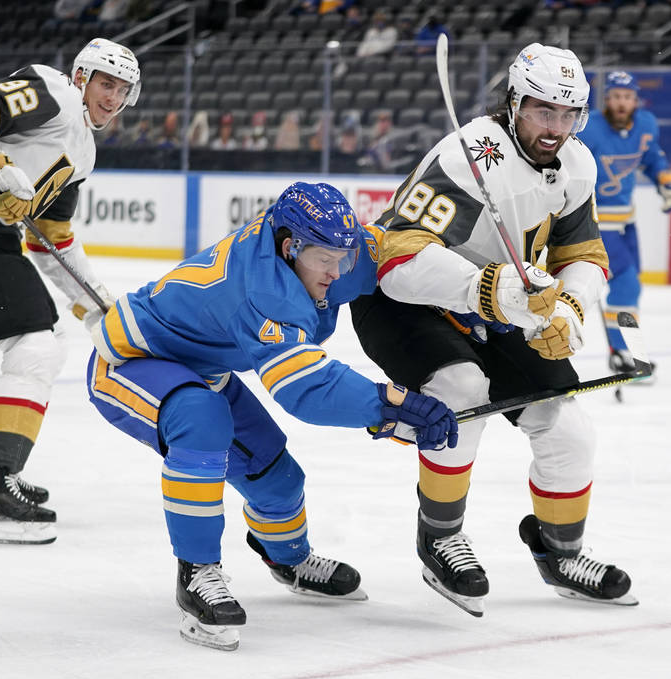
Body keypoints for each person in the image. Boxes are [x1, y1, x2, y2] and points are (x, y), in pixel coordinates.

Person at [86, 182, 458, 649]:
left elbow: (389, 254)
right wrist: (394, 404)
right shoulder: (263, 292)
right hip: (128, 363)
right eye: (326, 260)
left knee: (276, 477)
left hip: (204, 369)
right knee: (203, 422)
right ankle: (197, 572)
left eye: (343, 257)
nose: (337, 271)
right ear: (290, 247)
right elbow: (306, 388)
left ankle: (289, 559)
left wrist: (477, 301)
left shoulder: (322, 248)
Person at [350, 43, 638, 618]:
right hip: (402, 304)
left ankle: (561, 551)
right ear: (513, 102)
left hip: (499, 302)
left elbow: (582, 253)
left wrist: (569, 313)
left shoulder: (578, 164)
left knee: (569, 427)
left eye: (568, 114)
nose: (555, 128)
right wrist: (492, 287)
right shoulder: (467, 156)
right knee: (463, 394)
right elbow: (399, 264)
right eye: (541, 112)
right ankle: (440, 537)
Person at [0, 38, 141, 545]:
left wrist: (98, 307)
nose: (112, 97)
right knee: (35, 347)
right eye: (106, 83)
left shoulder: (82, 152)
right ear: (81, 78)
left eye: (122, 89)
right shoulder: (54, 92)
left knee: (43, 344)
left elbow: (51, 239)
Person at [579, 70, 671, 375]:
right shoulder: (588, 129)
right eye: (616, 97)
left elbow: (652, 160)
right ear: (607, 99)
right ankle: (626, 352)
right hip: (595, 223)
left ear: (636, 100)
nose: (622, 103)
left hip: (627, 222)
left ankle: (629, 351)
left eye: (627, 97)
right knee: (625, 283)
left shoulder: (647, 124)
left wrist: (664, 179)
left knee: (632, 289)